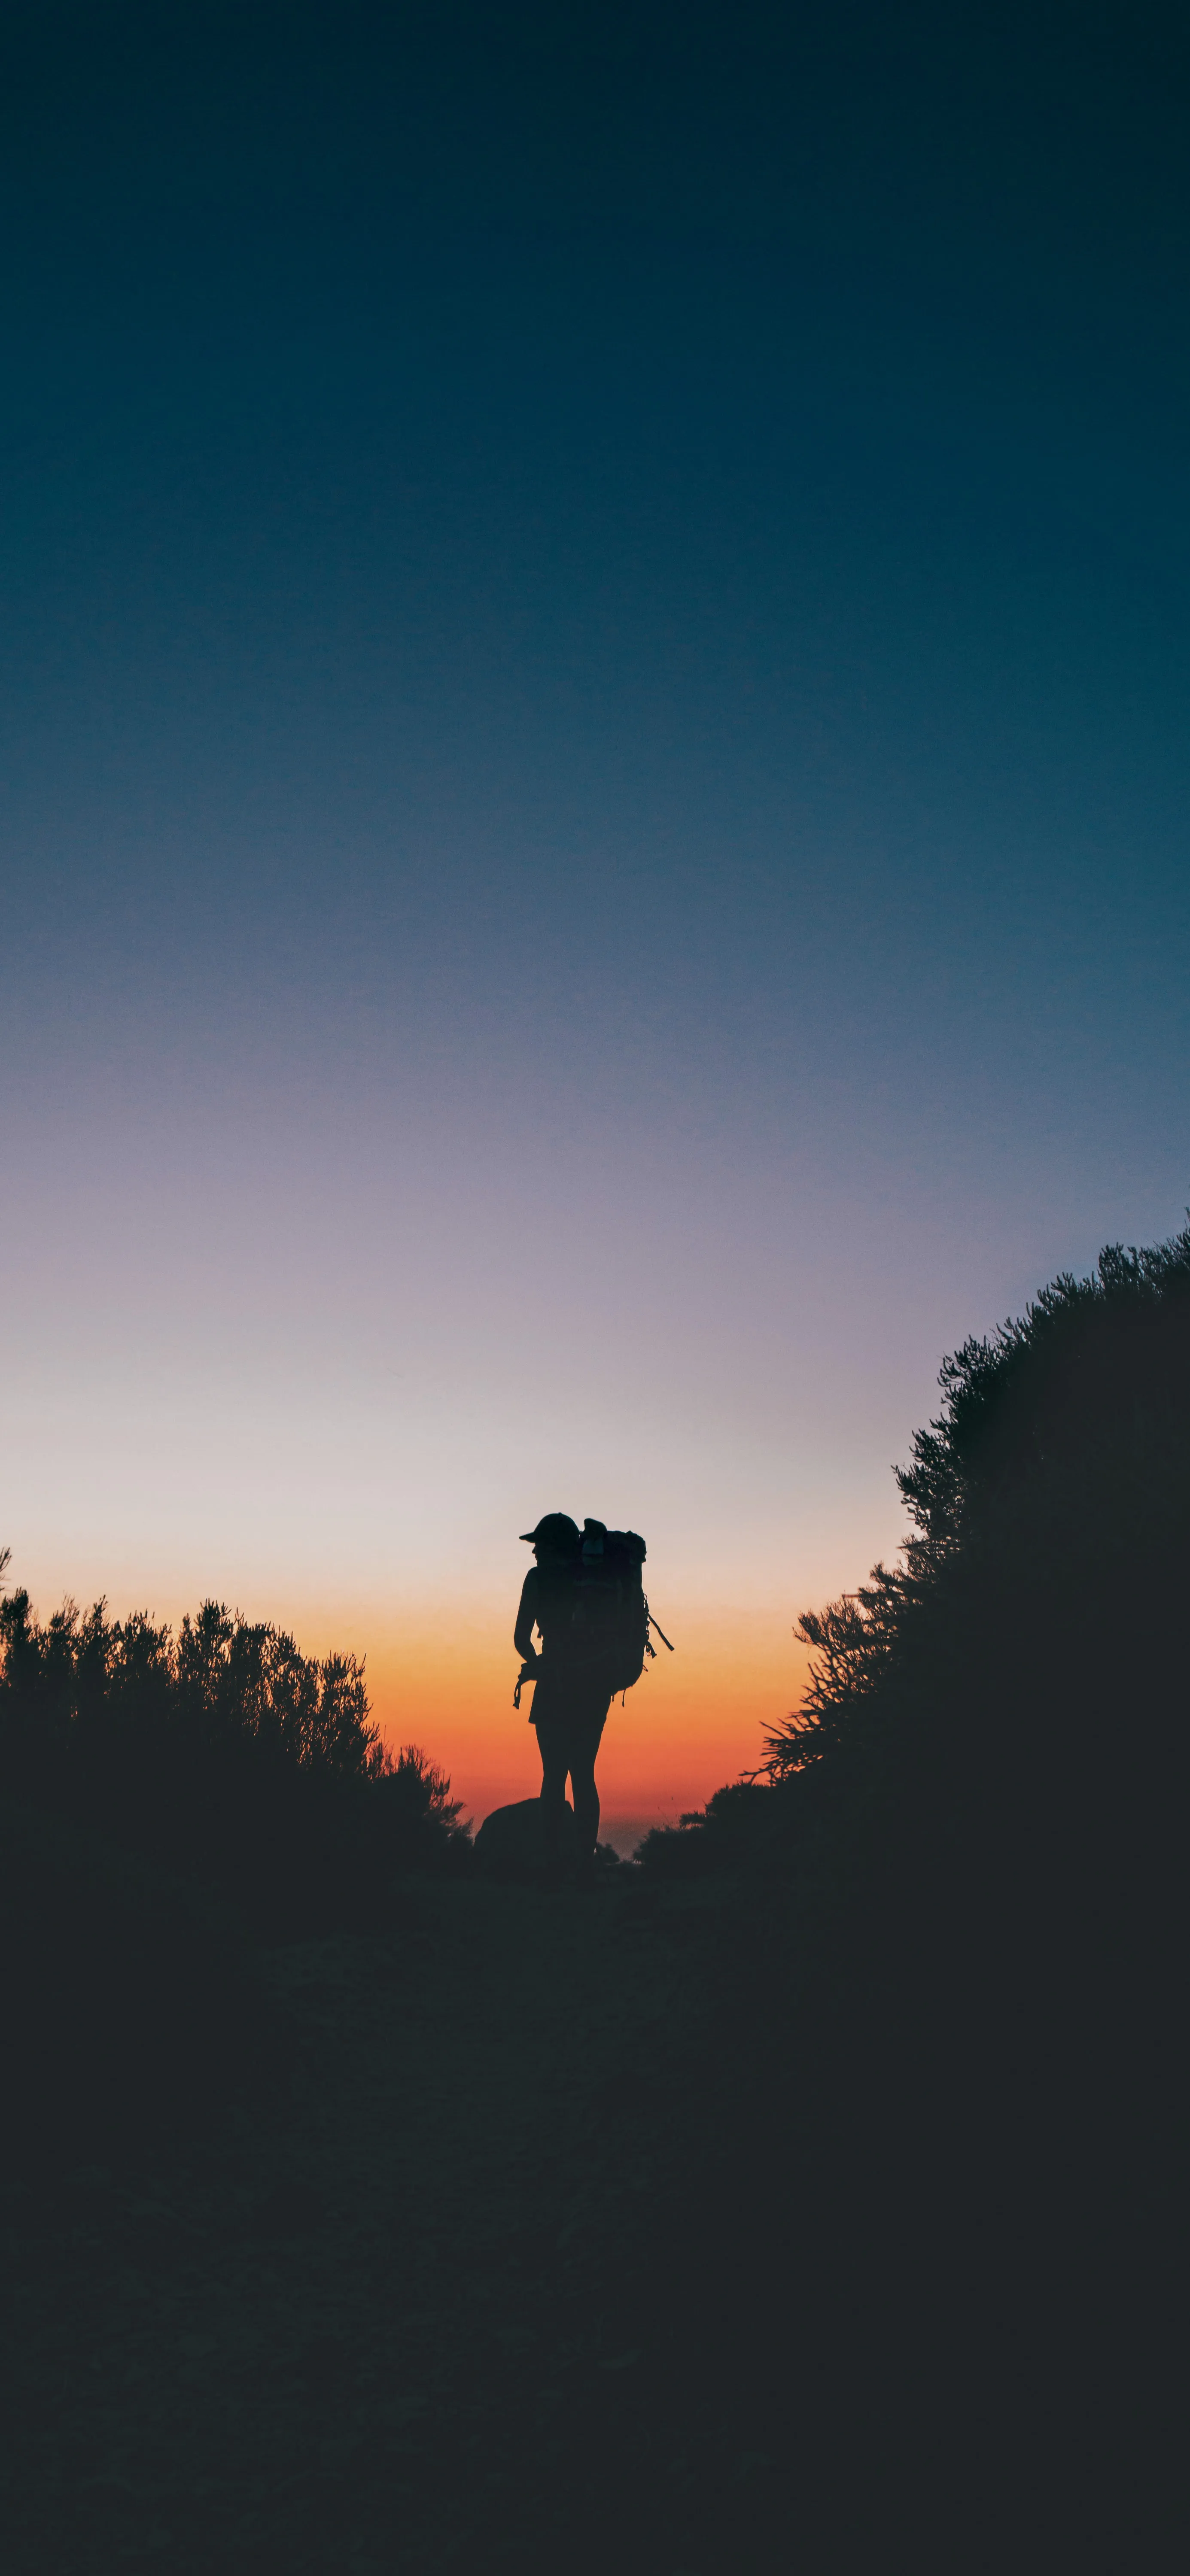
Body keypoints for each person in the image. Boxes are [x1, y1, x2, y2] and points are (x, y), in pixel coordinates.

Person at [514, 1512, 612, 1871]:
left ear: (552, 1546)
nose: (535, 1551)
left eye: (540, 1543)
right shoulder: (589, 1579)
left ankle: (552, 1863)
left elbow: (521, 1639)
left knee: (553, 1775)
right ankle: (584, 1864)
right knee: (584, 1774)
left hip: (554, 1682)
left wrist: (539, 1662)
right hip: (593, 1686)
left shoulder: (538, 1579)